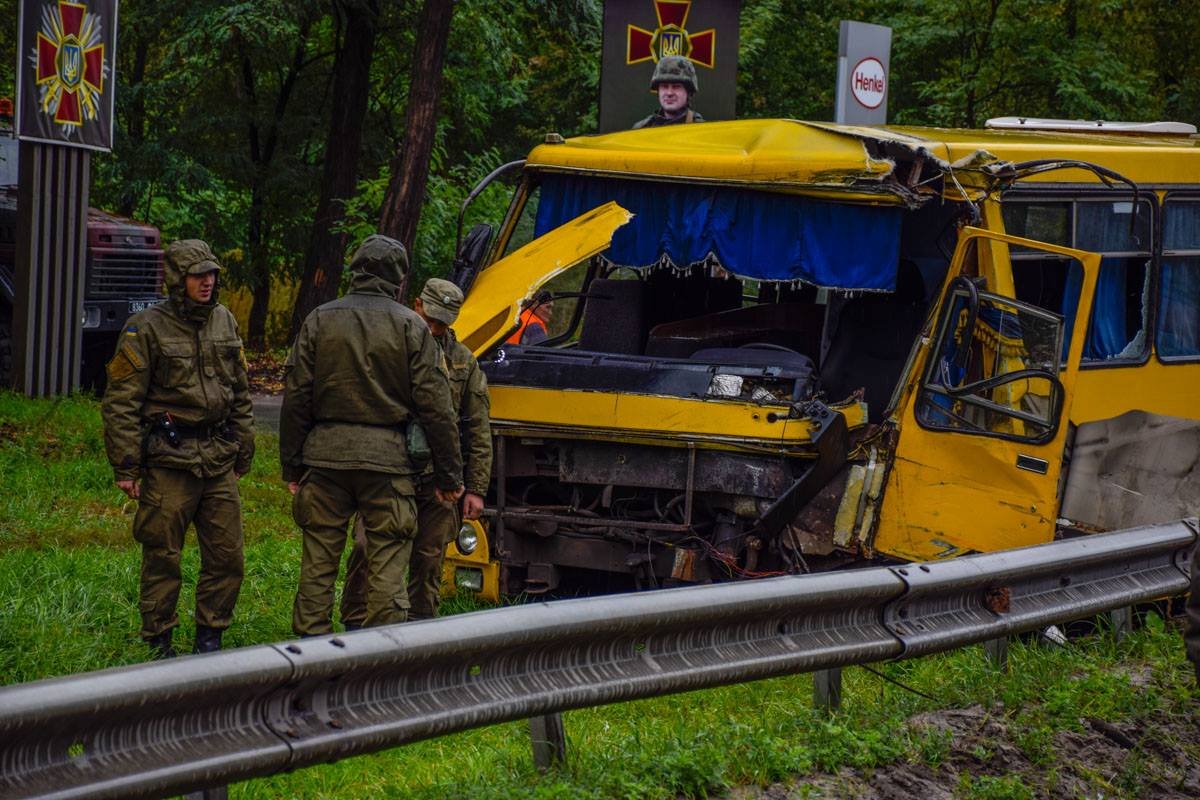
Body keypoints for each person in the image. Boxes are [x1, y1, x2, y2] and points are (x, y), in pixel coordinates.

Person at [281, 235, 464, 636]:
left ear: (355, 271)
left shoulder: (319, 319)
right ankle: (378, 656)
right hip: (388, 463)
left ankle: (309, 648)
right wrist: (450, 478)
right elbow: (437, 408)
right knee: (387, 562)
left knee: (318, 562)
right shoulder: (411, 327)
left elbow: (295, 397)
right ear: (400, 282)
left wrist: (292, 465)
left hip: (325, 459)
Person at [101, 239, 255, 659]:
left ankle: (210, 638)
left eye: (212, 274)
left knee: (228, 556)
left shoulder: (224, 320)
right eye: (197, 275)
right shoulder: (145, 327)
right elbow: (121, 400)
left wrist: (244, 446)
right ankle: (159, 641)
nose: (207, 282)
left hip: (217, 457)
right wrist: (126, 466)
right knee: (162, 555)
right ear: (177, 279)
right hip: (170, 459)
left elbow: (239, 389)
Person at [340, 278, 492, 626]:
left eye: (442, 323)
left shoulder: (463, 363)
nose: (434, 328)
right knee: (366, 547)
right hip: (387, 469)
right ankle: (354, 624)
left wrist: (476, 488)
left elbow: (478, 428)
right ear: (416, 305)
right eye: (430, 318)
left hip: (440, 478)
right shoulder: (385, 347)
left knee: (428, 558)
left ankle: (420, 629)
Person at [632, 55, 705, 130]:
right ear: (658, 91)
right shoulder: (641, 129)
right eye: (664, 86)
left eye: (676, 86)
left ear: (688, 92)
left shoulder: (700, 130)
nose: (669, 93)